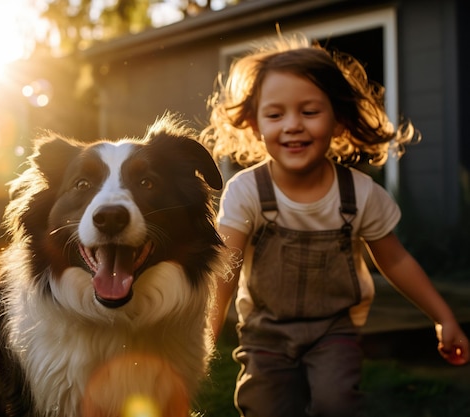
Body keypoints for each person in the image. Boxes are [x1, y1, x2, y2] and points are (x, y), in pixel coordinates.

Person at [200, 33, 469, 417]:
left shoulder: (360, 195)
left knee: (336, 403)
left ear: (339, 119)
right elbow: (224, 266)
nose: (293, 125)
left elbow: (395, 262)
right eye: (275, 114)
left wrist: (443, 318)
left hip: (334, 331)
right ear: (256, 124)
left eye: (309, 112)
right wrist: (204, 334)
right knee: (264, 406)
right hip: (265, 333)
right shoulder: (247, 191)